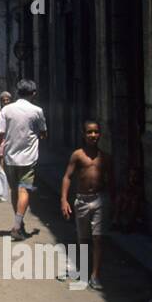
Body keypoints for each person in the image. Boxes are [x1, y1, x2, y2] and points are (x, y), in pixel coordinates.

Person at [61, 120, 116, 289]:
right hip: (82, 201)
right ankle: (84, 272)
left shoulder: (105, 157)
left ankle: (95, 275)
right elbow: (67, 177)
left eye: (96, 132)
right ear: (83, 135)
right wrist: (64, 199)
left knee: (98, 238)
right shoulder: (77, 155)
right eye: (89, 132)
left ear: (100, 134)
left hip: (100, 200)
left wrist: (113, 203)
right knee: (84, 239)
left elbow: (112, 181)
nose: (93, 135)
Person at [0, 80, 47, 241]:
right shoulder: (37, 111)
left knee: (15, 191)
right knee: (24, 190)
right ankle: (17, 226)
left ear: (17, 92)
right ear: (34, 93)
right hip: (28, 159)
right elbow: (43, 132)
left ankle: (19, 223)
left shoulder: (7, 110)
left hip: (9, 157)